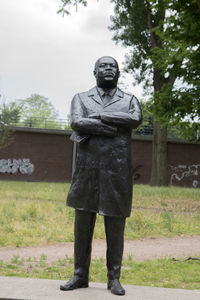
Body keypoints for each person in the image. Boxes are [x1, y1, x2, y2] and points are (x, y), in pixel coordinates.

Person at [60, 56, 142, 295]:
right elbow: (77, 122)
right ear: (94, 71)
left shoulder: (129, 100)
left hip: (117, 173)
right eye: (104, 66)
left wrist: (97, 117)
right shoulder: (81, 98)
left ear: (118, 73)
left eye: (113, 66)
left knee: (115, 226)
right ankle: (79, 275)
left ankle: (114, 278)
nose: (109, 69)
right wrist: (110, 129)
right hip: (87, 171)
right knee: (82, 226)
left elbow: (135, 119)